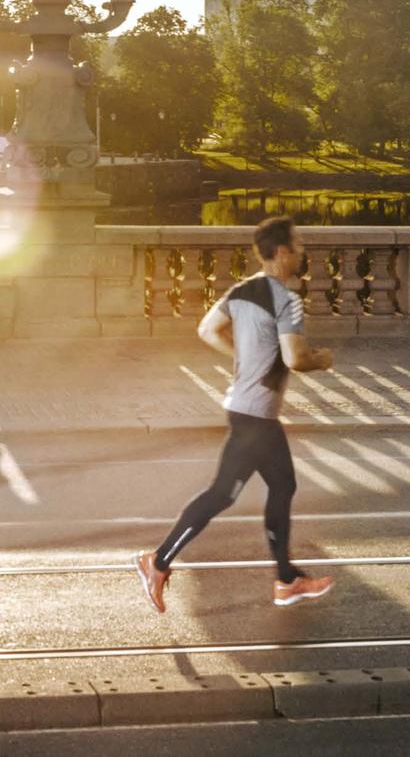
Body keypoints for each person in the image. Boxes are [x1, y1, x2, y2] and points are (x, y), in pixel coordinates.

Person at [135, 215, 335, 611]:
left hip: (247, 410)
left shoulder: (241, 292)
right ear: (281, 252)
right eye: (297, 246)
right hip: (255, 415)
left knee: (278, 486)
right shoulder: (285, 299)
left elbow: (207, 330)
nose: (302, 252)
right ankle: (156, 561)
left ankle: (286, 579)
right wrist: (321, 359)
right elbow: (295, 358)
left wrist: (245, 360)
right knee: (222, 494)